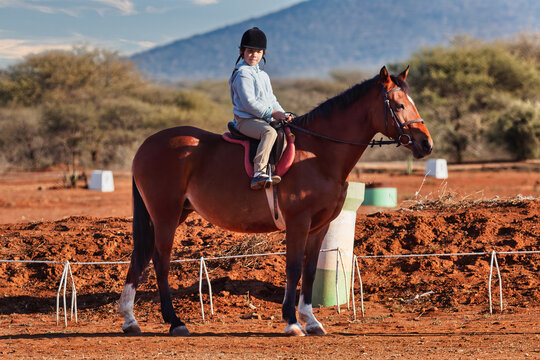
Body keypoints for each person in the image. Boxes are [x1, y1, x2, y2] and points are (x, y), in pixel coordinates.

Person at [229, 27, 292, 190]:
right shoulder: (242, 74)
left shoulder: (263, 76)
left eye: (258, 52)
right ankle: (259, 173)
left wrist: (283, 114)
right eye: (250, 51)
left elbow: (271, 99)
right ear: (242, 51)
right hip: (246, 120)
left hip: (262, 118)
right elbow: (249, 103)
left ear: (263, 53)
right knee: (269, 132)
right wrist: (271, 113)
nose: (254, 55)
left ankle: (275, 169)